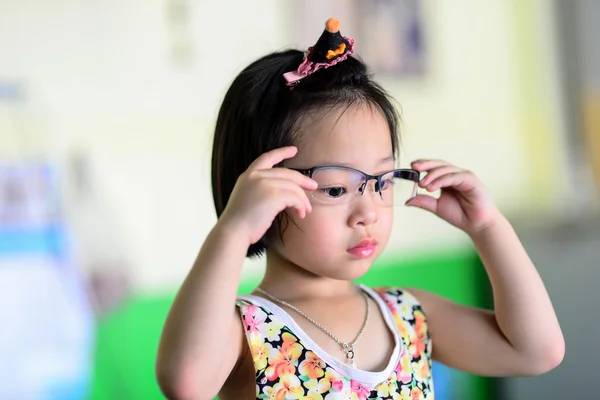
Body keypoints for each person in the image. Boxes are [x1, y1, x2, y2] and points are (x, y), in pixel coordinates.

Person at [156, 18, 564, 400]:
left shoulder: (408, 316)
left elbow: (537, 352)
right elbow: (186, 382)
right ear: (259, 193)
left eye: (383, 182)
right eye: (335, 189)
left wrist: (489, 228)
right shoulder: (246, 330)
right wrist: (231, 232)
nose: (367, 212)